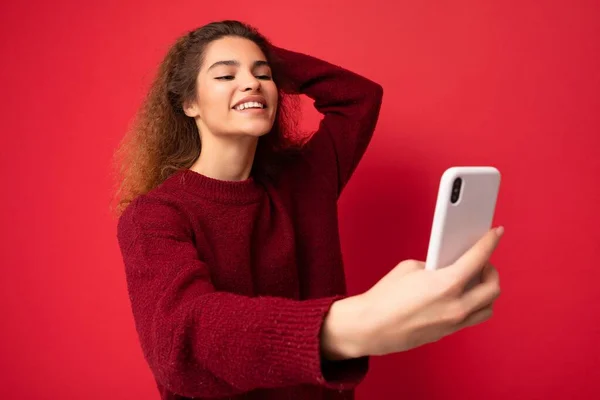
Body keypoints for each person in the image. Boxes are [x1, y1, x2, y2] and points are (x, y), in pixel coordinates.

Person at [114, 20, 503, 400]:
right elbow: (181, 338)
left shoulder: (304, 182)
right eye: (225, 76)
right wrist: (349, 325)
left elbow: (358, 98)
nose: (251, 83)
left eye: (262, 74)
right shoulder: (154, 216)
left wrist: (264, 55)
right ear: (189, 102)